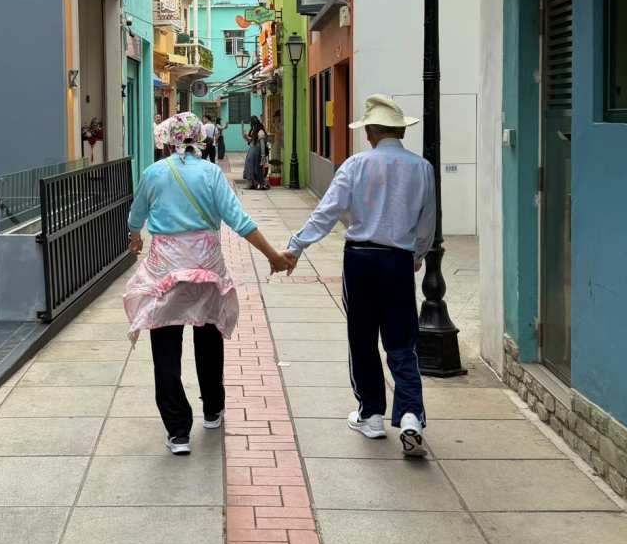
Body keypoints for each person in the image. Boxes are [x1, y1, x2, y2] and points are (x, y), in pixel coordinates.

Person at [125, 112, 295, 455]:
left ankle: (177, 432)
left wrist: (135, 238)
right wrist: (273, 255)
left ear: (170, 139)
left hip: (166, 271)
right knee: (208, 336)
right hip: (206, 268)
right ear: (201, 139)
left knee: (166, 346)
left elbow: (136, 214)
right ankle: (213, 408)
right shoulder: (211, 173)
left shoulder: (154, 173)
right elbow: (239, 220)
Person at [285, 94, 435, 458]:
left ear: (370, 131)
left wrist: (296, 246)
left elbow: (327, 211)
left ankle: (371, 415)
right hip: (398, 260)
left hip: (361, 259)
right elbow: (427, 221)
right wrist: (417, 254)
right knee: (401, 338)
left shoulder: (355, 165)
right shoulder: (421, 168)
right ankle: (411, 414)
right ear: (400, 130)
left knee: (362, 337)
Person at [242, 116, 269, 190]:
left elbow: (262, 143)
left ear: (253, 123)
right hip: (252, 151)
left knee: (256, 168)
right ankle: (252, 183)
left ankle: (259, 183)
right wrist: (244, 135)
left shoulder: (260, 131)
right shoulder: (254, 130)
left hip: (257, 152)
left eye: (251, 123)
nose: (250, 124)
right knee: (250, 166)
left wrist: (263, 155)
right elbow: (250, 140)